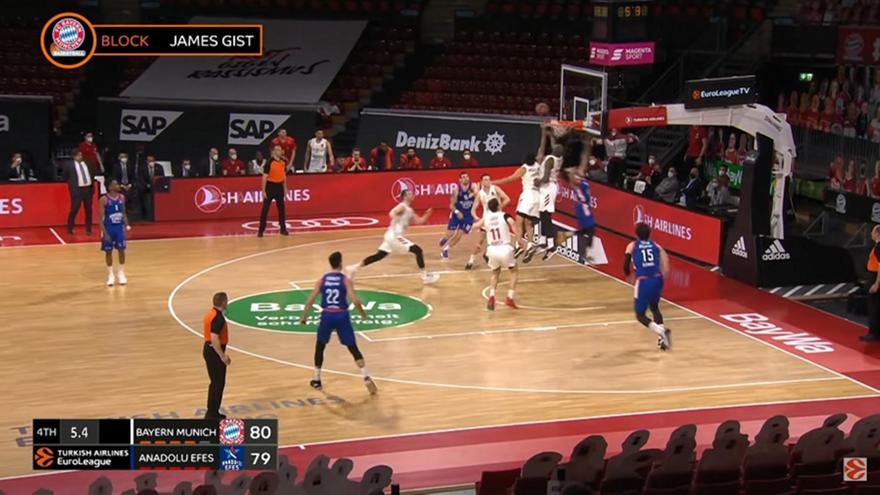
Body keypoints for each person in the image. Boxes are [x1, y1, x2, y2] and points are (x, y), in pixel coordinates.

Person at [299, 251, 378, 394]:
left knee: (320, 346)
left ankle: (316, 379)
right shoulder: (345, 280)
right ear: (341, 264)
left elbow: (310, 299)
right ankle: (365, 375)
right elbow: (355, 300)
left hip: (327, 315)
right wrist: (363, 314)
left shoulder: (322, 279)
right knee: (353, 348)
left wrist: (304, 317)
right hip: (342, 315)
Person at [346, 189, 439, 285]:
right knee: (418, 250)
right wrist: (396, 217)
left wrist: (427, 214)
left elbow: (420, 221)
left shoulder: (409, 210)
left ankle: (353, 268)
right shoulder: (402, 206)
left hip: (390, 235)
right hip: (395, 235)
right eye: (409, 194)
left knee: (379, 255)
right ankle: (425, 276)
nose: (412, 195)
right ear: (404, 197)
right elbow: (392, 213)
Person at [623, 223, 672, 351]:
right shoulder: (655, 245)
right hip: (657, 278)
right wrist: (664, 272)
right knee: (654, 307)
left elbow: (625, 265)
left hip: (643, 281)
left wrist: (628, 275)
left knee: (640, 315)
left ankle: (661, 331)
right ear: (649, 234)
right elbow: (665, 258)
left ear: (636, 234)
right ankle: (662, 340)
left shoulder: (632, 245)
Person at [472, 198, 519, 310]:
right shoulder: (504, 215)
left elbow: (475, 226)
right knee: (514, 271)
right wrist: (519, 238)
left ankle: (492, 296)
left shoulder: (486, 218)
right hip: (504, 248)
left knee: (495, 273)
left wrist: (464, 225)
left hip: (492, 250)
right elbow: (513, 223)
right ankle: (510, 297)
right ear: (498, 206)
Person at [493, 152, 541, 259]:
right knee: (528, 223)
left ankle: (519, 245)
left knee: (518, 221)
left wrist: (493, 182)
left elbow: (509, 179)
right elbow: (541, 153)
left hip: (528, 195)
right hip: (538, 197)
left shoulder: (524, 168)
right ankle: (530, 245)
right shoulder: (538, 166)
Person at [529, 136, 565, 263]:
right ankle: (543, 241)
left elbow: (545, 178)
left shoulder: (550, 160)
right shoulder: (559, 158)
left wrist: (537, 181)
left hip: (548, 187)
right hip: (548, 188)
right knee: (543, 215)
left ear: (555, 151)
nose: (554, 146)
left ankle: (551, 245)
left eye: (556, 147)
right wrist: (548, 133)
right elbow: (555, 145)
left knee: (546, 216)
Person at [466, 173, 510, 270]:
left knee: (497, 239)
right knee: (480, 241)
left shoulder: (495, 188)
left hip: (497, 218)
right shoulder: (480, 193)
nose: (487, 181)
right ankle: (471, 260)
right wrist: (477, 217)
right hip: (486, 219)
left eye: (489, 179)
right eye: (485, 179)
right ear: (481, 182)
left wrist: (499, 207)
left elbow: (507, 199)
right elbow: (473, 210)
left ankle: (488, 255)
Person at [203, 292, 232, 419]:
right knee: (218, 383)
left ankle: (212, 411)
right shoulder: (218, 318)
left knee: (215, 383)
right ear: (223, 302)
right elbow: (214, 338)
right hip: (214, 352)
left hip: (209, 349)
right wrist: (222, 356)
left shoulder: (210, 313)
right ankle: (212, 413)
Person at [439, 172, 477, 261]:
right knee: (450, 234)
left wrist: (471, 195)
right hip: (457, 214)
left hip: (468, 216)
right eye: (463, 177)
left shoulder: (473, 186)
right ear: (460, 180)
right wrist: (457, 212)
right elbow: (451, 205)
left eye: (467, 176)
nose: (466, 178)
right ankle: (445, 238)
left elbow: (476, 191)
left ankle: (445, 250)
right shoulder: (456, 190)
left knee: (459, 235)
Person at [99, 180, 130, 287]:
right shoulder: (104, 199)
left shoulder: (122, 198)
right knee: (108, 252)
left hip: (119, 228)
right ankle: (110, 275)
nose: (118, 185)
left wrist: (126, 225)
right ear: (110, 187)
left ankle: (121, 273)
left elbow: (123, 213)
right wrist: (105, 233)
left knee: (122, 250)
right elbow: (100, 219)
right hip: (108, 228)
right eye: (115, 184)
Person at [258, 145, 289, 237]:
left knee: (282, 209)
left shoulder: (283, 162)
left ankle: (283, 229)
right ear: (274, 152)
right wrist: (263, 190)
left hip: (279, 187)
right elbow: (264, 177)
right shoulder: (269, 162)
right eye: (277, 150)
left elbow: (284, 176)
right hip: (270, 187)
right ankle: (261, 230)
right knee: (265, 209)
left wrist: (285, 188)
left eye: (280, 150)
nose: (279, 151)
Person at [64, 150, 95, 235]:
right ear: (74, 157)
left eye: (81, 155)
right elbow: (65, 176)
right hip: (77, 190)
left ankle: (88, 229)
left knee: (88, 210)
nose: (80, 157)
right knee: (74, 210)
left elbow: (92, 174)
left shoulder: (88, 163)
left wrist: (92, 188)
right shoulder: (69, 165)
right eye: (78, 155)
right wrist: (73, 187)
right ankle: (70, 228)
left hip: (88, 189)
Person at [136, 154, 163, 221]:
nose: (151, 162)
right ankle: (145, 214)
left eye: (152, 160)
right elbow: (140, 178)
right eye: (149, 161)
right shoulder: (142, 168)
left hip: (157, 186)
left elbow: (162, 177)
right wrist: (147, 185)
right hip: (146, 186)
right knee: (141, 191)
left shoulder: (159, 167)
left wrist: (155, 185)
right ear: (146, 161)